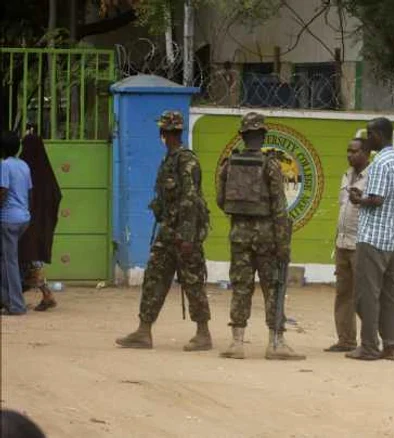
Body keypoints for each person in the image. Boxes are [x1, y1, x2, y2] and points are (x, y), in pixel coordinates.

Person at [116, 110, 213, 351]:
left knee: (192, 281)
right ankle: (143, 331)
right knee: (154, 277)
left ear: (164, 133)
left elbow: (191, 200)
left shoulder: (186, 161)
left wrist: (188, 237)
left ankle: (203, 334)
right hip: (168, 231)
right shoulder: (169, 160)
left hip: (184, 233)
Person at [216, 112, 304, 360]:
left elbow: (221, 201)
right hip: (267, 237)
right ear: (263, 135)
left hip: (239, 236)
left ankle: (237, 343)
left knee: (241, 287)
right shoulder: (271, 164)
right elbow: (279, 206)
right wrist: (283, 243)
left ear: (242, 136)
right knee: (273, 288)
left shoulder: (229, 164)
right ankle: (275, 343)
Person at [347, 117, 394, 361]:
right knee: (390, 294)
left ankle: (369, 346)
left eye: (369, 134)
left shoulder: (378, 164)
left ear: (377, 135)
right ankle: (392, 346)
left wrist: (358, 199)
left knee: (367, 295)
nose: (367, 139)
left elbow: (376, 199)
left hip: (373, 238)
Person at [324, 138, 370, 352]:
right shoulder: (346, 175)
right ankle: (346, 340)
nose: (350, 155)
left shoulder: (372, 178)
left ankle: (371, 342)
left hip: (361, 242)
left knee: (364, 295)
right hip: (342, 242)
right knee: (343, 293)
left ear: (366, 154)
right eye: (348, 151)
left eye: (355, 151)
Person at [18, 127, 62, 311]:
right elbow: (56, 195)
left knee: (28, 258)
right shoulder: (45, 169)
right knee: (28, 258)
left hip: (25, 221)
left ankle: (46, 294)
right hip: (40, 222)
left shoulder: (23, 166)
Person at [1, 131, 32, 316]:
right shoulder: (24, 165)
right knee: (6, 259)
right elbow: (29, 192)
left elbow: (3, 191)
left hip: (8, 219)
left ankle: (17, 305)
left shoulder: (4, 165)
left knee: (9, 261)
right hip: (23, 218)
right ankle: (7, 300)